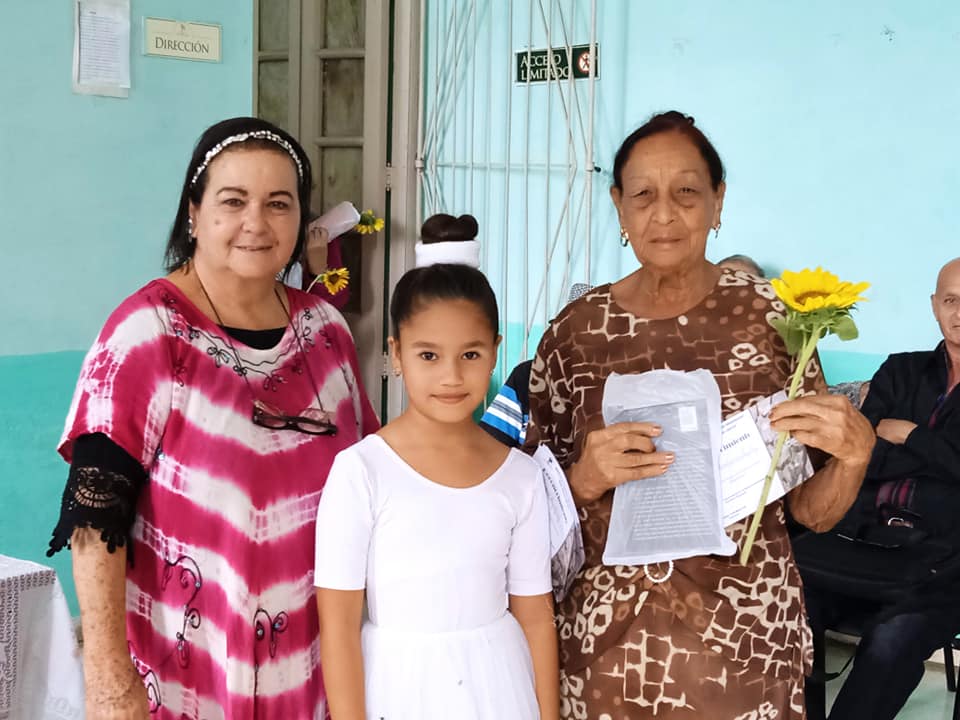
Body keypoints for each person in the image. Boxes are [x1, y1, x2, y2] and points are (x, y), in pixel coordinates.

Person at [525, 110, 875, 719]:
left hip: (744, 649)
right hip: (605, 654)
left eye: (686, 192)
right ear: (619, 206)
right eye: (643, 195)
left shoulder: (777, 320)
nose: (664, 214)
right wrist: (583, 477)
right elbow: (524, 507)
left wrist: (853, 458)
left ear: (718, 202)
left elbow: (809, 513)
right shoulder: (575, 335)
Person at [47, 117, 378, 720]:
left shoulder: (326, 333)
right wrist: (107, 680)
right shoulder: (149, 333)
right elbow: (95, 519)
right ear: (194, 214)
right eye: (233, 201)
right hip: (187, 678)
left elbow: (373, 479)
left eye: (279, 204)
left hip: (319, 667)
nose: (257, 222)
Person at [314, 214, 560, 719]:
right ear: (397, 354)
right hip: (398, 689)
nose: (450, 376)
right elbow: (337, 626)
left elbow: (535, 617)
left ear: (495, 353)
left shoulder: (521, 475)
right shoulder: (361, 471)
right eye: (429, 355)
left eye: (470, 354)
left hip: (500, 689)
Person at [803, 257, 960, 720]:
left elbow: (884, 444)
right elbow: (862, 453)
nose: (959, 313)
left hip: (941, 564)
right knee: (790, 612)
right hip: (857, 542)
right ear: (934, 306)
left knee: (891, 643)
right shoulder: (900, 371)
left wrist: (911, 435)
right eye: (950, 300)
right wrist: (943, 459)